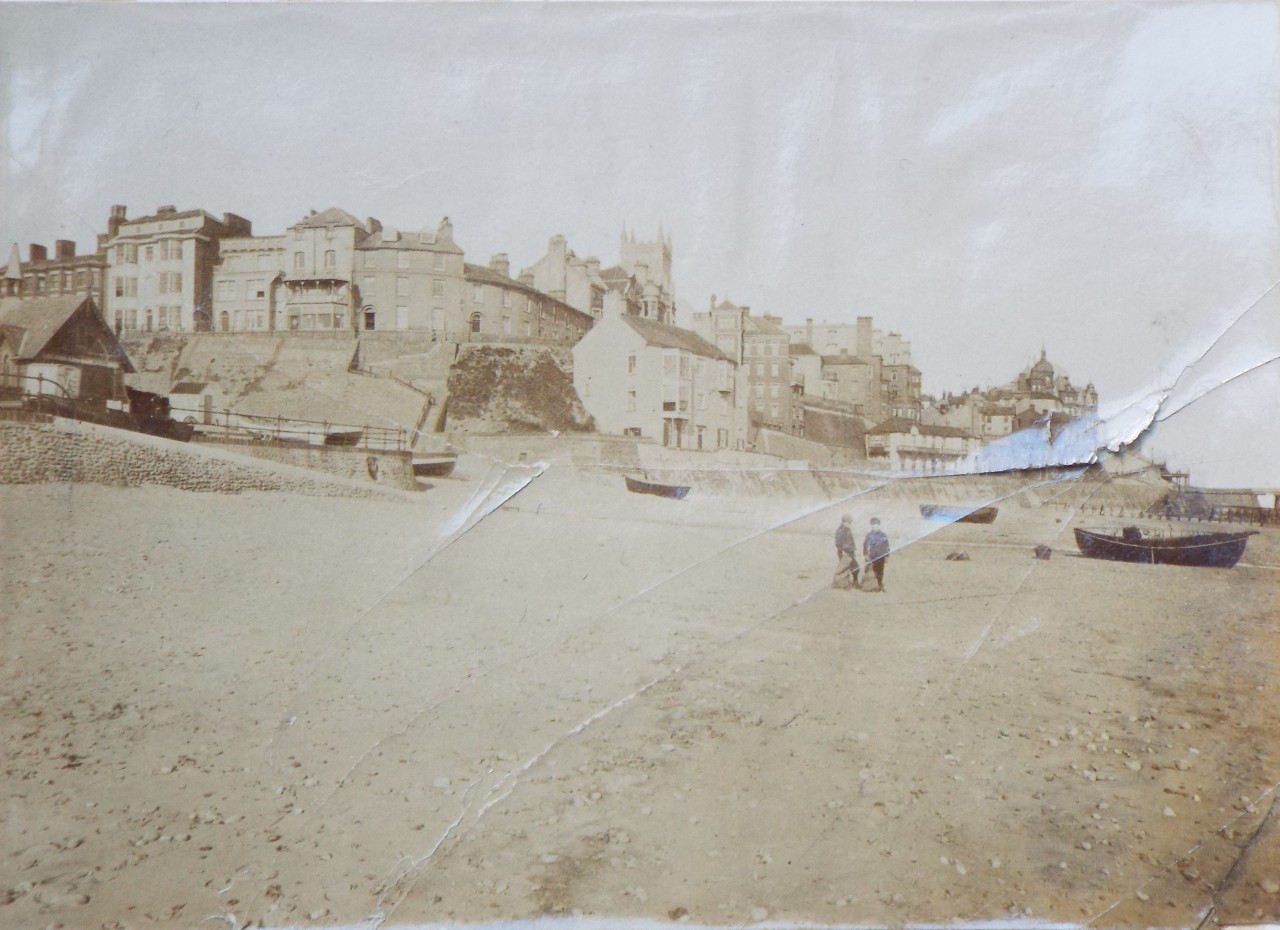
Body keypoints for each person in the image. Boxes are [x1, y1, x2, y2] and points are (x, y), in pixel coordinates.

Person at [863, 517, 890, 592]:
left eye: (876, 525)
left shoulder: (883, 535)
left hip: (881, 556)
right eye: (873, 525)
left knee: (880, 571)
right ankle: (873, 586)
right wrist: (865, 554)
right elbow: (865, 545)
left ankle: (880, 584)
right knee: (872, 571)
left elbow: (886, 546)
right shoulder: (869, 535)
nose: (874, 527)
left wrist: (887, 556)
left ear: (879, 525)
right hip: (873, 556)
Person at [833, 514, 860, 589]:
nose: (849, 524)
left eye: (850, 523)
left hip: (850, 553)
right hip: (844, 553)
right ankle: (844, 585)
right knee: (846, 569)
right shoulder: (840, 531)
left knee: (855, 567)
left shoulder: (847, 529)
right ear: (843, 522)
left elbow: (851, 541)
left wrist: (854, 549)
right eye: (848, 523)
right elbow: (838, 543)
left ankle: (853, 583)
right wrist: (847, 550)